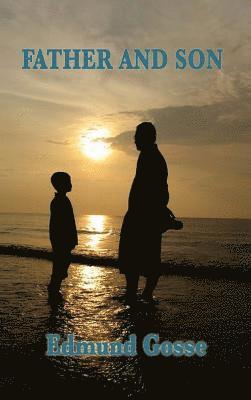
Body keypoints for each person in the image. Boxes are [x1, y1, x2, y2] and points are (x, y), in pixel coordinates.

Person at [118, 122, 169, 304]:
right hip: (140, 215)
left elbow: (160, 190)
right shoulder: (148, 156)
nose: (134, 140)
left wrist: (159, 211)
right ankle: (136, 294)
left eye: (137, 137)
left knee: (145, 258)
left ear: (147, 138)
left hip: (144, 217)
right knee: (138, 258)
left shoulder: (153, 158)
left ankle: (144, 294)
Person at [48, 172, 78, 296]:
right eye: (68, 182)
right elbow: (60, 224)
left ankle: (54, 287)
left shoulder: (61, 200)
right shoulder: (60, 201)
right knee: (60, 265)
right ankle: (54, 289)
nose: (71, 184)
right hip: (61, 241)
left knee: (62, 264)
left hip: (62, 240)